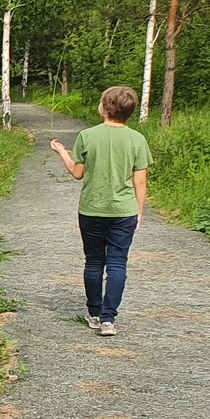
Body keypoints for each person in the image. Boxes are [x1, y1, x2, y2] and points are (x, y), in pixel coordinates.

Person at [48, 85, 152, 336]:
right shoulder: (137, 139)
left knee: (94, 261)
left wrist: (62, 152)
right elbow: (140, 181)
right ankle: (109, 319)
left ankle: (94, 314)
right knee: (117, 263)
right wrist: (138, 212)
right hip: (124, 211)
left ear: (105, 108)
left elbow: (77, 173)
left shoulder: (87, 135)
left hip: (92, 210)